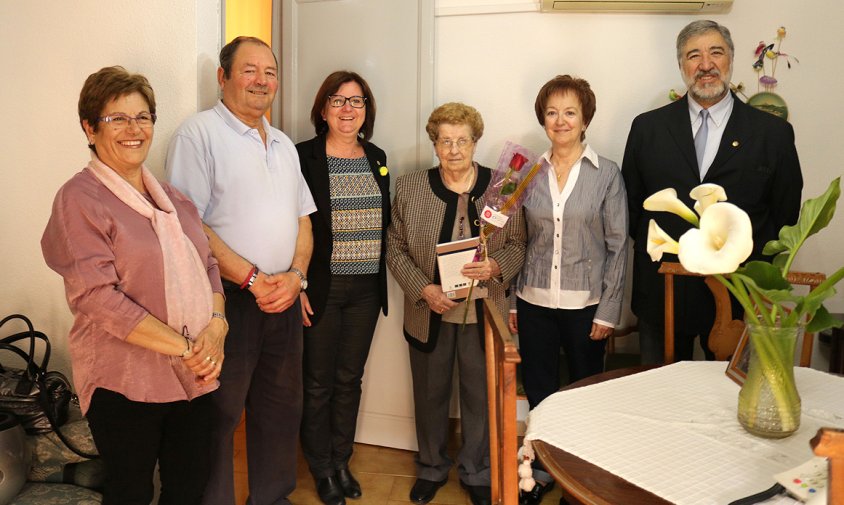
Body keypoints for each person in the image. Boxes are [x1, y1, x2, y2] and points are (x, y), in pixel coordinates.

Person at [41, 66, 227, 505]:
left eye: (142, 117)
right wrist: (187, 348)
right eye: (117, 118)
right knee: (130, 492)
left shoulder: (173, 199)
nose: (133, 129)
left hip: (195, 374)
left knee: (188, 487)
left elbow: (209, 265)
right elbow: (97, 297)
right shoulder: (80, 199)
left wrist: (217, 327)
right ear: (89, 127)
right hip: (124, 380)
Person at [166, 36, 316, 505]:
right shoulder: (198, 135)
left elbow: (303, 221)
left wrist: (296, 277)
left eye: (269, 72)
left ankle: (272, 497)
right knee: (220, 412)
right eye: (249, 70)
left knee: (280, 409)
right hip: (227, 302)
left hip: (284, 299)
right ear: (223, 77)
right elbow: (190, 226)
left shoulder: (285, 145)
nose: (262, 80)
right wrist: (251, 279)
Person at [622, 20, 803, 364]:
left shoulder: (772, 134)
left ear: (730, 59)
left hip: (739, 297)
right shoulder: (647, 129)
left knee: (731, 402)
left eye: (715, 52)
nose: (706, 64)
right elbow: (631, 208)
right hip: (664, 293)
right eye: (694, 56)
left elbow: (784, 215)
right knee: (658, 403)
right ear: (681, 66)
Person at [387, 103, 526, 505]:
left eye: (461, 140)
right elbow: (394, 247)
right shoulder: (411, 186)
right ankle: (431, 468)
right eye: (444, 141)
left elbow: (519, 242)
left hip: (484, 313)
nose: (453, 150)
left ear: (475, 142)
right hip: (430, 312)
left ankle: (477, 472)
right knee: (429, 395)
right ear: (434, 144)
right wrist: (422, 288)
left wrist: (498, 265)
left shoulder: (504, 186)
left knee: (479, 396)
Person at [507, 75, 628, 505]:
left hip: (586, 305)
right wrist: (512, 299)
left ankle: (579, 478)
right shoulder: (526, 172)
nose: (560, 121)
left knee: (584, 392)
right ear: (543, 118)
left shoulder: (607, 173)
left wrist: (608, 311)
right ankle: (539, 471)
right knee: (539, 390)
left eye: (570, 112)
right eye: (552, 112)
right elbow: (514, 239)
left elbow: (618, 246)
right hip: (533, 300)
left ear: (585, 119)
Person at [296, 71, 390, 505]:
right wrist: (297, 284)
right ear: (323, 109)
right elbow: (289, 226)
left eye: (356, 101)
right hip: (323, 287)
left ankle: (340, 460)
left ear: (366, 110)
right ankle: (320, 467)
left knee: (350, 379)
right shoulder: (302, 157)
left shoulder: (377, 157)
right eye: (338, 100)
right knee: (318, 382)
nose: (348, 109)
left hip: (367, 289)